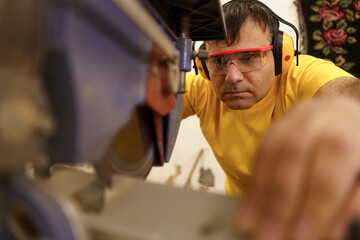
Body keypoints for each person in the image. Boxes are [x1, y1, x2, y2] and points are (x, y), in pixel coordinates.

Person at [182, 0, 360, 239]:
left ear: (281, 55)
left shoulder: (303, 76)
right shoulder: (203, 89)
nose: (232, 77)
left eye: (249, 57)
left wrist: (347, 110)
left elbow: (345, 90)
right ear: (203, 67)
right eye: (220, 61)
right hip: (241, 217)